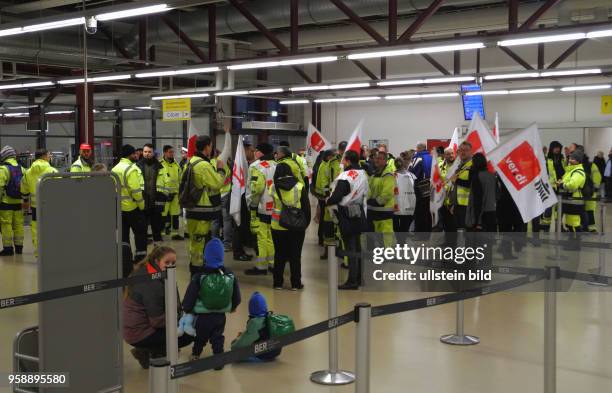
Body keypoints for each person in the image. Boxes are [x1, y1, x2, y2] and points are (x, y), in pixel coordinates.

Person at [123, 246, 194, 369]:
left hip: (134, 329)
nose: (170, 266)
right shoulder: (152, 284)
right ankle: (151, 354)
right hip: (139, 333)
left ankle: (149, 350)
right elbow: (157, 321)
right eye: (167, 262)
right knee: (187, 335)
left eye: (173, 263)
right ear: (156, 261)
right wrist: (178, 320)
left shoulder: (147, 271)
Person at [182, 238, 241, 363]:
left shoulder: (199, 275)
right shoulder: (229, 274)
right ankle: (218, 358)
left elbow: (190, 295)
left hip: (202, 316)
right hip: (220, 316)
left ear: (205, 256)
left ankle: (195, 355)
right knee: (218, 337)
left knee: (200, 337)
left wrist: (187, 308)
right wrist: (233, 306)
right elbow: (237, 295)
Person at [184, 135, 225, 277]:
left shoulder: (190, 162)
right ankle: (198, 272)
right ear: (207, 147)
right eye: (211, 145)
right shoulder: (203, 165)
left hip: (191, 209)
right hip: (202, 211)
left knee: (194, 242)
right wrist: (221, 170)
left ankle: (195, 268)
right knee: (200, 242)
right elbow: (217, 183)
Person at [326, 150, 368, 290]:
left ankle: (352, 281)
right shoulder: (363, 173)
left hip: (346, 214)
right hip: (359, 211)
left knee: (350, 248)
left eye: (343, 160)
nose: (341, 162)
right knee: (358, 247)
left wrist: (328, 200)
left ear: (348, 161)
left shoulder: (346, 176)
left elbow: (337, 196)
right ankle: (360, 278)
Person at [270, 162, 310, 290]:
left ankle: (278, 283)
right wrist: (304, 224)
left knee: (279, 255)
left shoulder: (273, 187)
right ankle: (296, 284)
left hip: (277, 226)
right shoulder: (299, 186)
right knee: (295, 255)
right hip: (296, 227)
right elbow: (306, 208)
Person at [111, 145, 147, 265]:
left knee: (123, 235)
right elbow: (136, 191)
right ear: (130, 155)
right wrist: (142, 206)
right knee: (140, 233)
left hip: (120, 208)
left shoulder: (114, 169)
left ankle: (125, 258)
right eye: (135, 154)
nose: (136, 156)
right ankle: (140, 258)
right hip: (133, 208)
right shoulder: (131, 169)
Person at [245, 143, 276, 275]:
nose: (255, 152)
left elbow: (256, 189)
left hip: (261, 206)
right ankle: (272, 263)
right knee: (272, 236)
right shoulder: (277, 165)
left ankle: (261, 267)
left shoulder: (256, 167)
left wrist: (252, 206)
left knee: (262, 236)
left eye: (257, 150)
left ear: (261, 152)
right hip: (275, 207)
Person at [20, 149, 58, 257]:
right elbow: (61, 190)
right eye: (49, 155)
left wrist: (26, 201)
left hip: (35, 207)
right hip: (51, 207)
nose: (50, 157)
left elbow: (23, 189)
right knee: (51, 229)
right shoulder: (53, 171)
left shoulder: (28, 173)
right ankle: (51, 253)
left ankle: (39, 254)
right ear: (45, 156)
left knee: (36, 229)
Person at [231, 292, 282, 361]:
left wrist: (234, 343)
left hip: (265, 354)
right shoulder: (269, 316)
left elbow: (240, 344)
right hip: (275, 349)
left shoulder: (255, 323)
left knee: (239, 354)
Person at [136, 144, 167, 245]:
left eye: (149, 152)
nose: (147, 154)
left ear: (153, 153)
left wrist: (164, 197)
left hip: (156, 200)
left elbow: (166, 183)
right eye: (145, 152)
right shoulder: (137, 166)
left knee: (156, 225)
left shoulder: (160, 166)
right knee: (142, 225)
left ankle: (157, 244)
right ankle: (143, 243)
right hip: (142, 200)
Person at [0, 146, 24, 256]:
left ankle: (8, 249)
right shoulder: (21, 168)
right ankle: (19, 248)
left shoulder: (3, 169)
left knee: (6, 225)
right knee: (18, 225)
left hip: (6, 202)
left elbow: (0, 187)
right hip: (18, 202)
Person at [367, 146, 395, 236]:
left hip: (384, 211)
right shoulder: (374, 174)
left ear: (385, 160)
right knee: (378, 236)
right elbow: (369, 189)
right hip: (374, 210)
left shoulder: (388, 175)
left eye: (379, 158)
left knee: (386, 236)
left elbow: (387, 194)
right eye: (376, 158)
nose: (376, 160)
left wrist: (375, 202)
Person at [466, 153, 497, 231]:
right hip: (492, 212)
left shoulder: (477, 177)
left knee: (480, 241)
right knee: (489, 241)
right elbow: (498, 194)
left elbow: (478, 201)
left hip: (481, 215)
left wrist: (477, 222)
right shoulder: (492, 175)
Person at [558, 149, 586, 232]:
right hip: (569, 201)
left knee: (574, 224)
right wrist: (561, 182)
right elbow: (566, 181)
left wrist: (562, 185)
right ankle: (572, 241)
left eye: (573, 159)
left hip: (574, 202)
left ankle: (576, 242)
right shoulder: (570, 170)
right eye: (570, 158)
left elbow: (572, 185)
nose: (570, 160)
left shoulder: (578, 171)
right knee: (569, 223)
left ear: (578, 161)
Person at [448, 141, 473, 230]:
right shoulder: (460, 165)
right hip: (458, 204)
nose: (463, 152)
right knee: (458, 230)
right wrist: (453, 203)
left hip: (467, 205)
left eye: (466, 150)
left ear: (471, 152)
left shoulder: (472, 166)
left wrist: (457, 180)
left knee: (466, 231)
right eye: (461, 150)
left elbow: (471, 184)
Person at [409, 142, 433, 231]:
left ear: (418, 149)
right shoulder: (431, 157)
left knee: (419, 210)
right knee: (427, 210)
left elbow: (411, 172)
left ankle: (420, 232)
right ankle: (428, 230)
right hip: (430, 187)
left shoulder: (417, 157)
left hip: (420, 187)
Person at [160, 145, 183, 240]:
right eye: (170, 152)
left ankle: (175, 234)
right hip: (164, 196)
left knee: (175, 215)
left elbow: (180, 179)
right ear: (164, 153)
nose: (172, 154)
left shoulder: (176, 165)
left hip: (175, 195)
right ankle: (160, 234)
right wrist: (163, 194)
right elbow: (158, 181)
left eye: (172, 152)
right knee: (162, 215)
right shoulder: (160, 165)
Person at [393, 157, 416, 233]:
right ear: (404, 164)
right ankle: (402, 242)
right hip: (407, 205)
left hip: (395, 205)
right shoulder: (411, 176)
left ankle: (400, 242)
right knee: (404, 225)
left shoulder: (391, 176)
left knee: (396, 225)